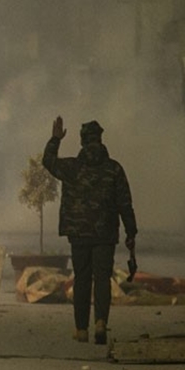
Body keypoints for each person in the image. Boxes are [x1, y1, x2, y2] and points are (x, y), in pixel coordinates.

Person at [42, 116, 136, 345]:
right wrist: (131, 231)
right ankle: (101, 322)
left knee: (82, 279)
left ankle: (81, 329)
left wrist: (55, 139)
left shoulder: (72, 167)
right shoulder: (114, 169)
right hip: (105, 234)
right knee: (102, 279)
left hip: (79, 234)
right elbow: (125, 203)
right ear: (100, 139)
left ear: (82, 141)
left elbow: (48, 160)